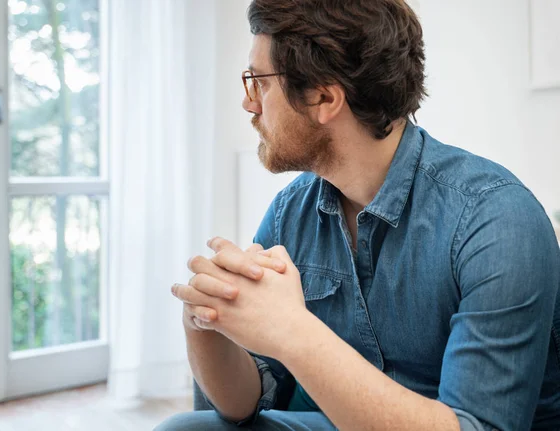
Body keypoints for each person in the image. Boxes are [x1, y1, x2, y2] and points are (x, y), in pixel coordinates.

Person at [156, 0, 560, 429]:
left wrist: (293, 331)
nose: (248, 104)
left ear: (324, 97)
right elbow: (247, 402)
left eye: (259, 83)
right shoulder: (290, 213)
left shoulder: (495, 220)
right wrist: (205, 319)